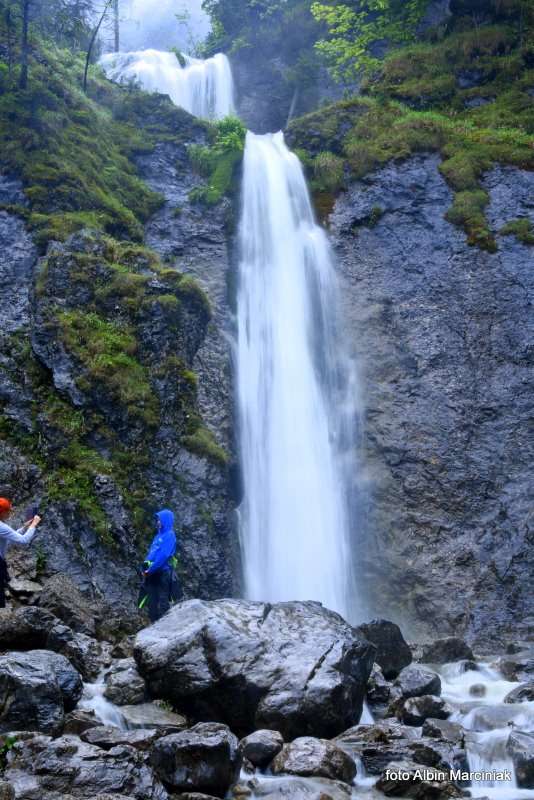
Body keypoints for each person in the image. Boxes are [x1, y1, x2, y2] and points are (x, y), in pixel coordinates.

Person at [0, 497, 41, 608]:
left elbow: (7, 540)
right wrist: (34, 525)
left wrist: (24, 527)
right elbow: (23, 540)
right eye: (8, 510)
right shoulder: (2, 527)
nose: (10, 513)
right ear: (2, 512)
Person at [140, 509, 178, 623]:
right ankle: (153, 625)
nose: (157, 522)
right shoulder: (157, 536)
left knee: (162, 600)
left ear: (165, 520)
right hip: (153, 572)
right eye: (157, 520)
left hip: (163, 572)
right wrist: (144, 566)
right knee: (152, 600)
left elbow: (164, 556)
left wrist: (150, 569)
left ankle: (165, 627)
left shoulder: (170, 535)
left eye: (159, 520)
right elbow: (152, 554)